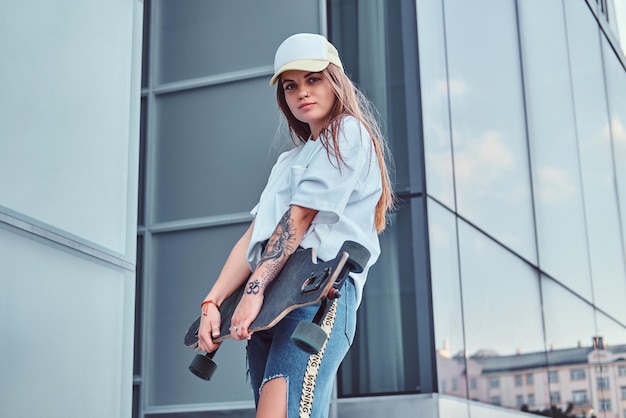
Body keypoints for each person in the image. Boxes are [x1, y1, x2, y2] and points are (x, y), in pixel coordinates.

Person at [196, 33, 394, 418]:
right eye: (291, 85)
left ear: (335, 80)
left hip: (317, 296)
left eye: (313, 79)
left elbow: (299, 219)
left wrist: (253, 291)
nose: (302, 92)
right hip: (270, 303)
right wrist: (212, 302)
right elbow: (255, 236)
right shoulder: (289, 160)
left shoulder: (348, 133)